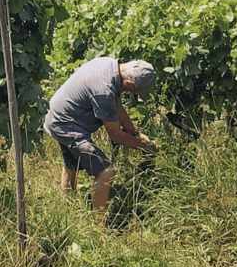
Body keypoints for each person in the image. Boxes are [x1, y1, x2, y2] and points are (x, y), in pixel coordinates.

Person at [43, 57, 157, 214]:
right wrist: (147, 147)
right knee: (106, 171)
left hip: (59, 114)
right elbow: (116, 136)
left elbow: (116, 105)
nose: (133, 94)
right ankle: (98, 224)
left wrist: (135, 132)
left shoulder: (110, 67)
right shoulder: (104, 89)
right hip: (65, 124)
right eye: (135, 91)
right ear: (130, 84)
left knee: (72, 164)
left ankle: (65, 210)